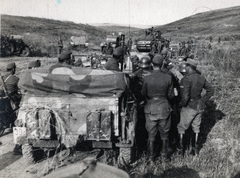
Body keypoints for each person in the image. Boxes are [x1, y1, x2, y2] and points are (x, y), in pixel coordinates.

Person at [177, 59, 214, 156]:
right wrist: (203, 100)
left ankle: (181, 151)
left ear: (189, 67)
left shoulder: (186, 79)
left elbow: (185, 97)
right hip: (199, 105)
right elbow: (211, 90)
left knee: (181, 128)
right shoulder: (201, 78)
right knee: (196, 128)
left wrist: (180, 105)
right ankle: (195, 151)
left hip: (190, 106)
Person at [141, 54, 174, 162]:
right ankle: (164, 157)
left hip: (150, 109)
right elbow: (170, 96)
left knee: (151, 135)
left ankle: (151, 158)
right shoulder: (168, 77)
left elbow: (143, 93)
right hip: (164, 108)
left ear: (152, 64)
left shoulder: (146, 78)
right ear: (162, 64)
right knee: (165, 135)